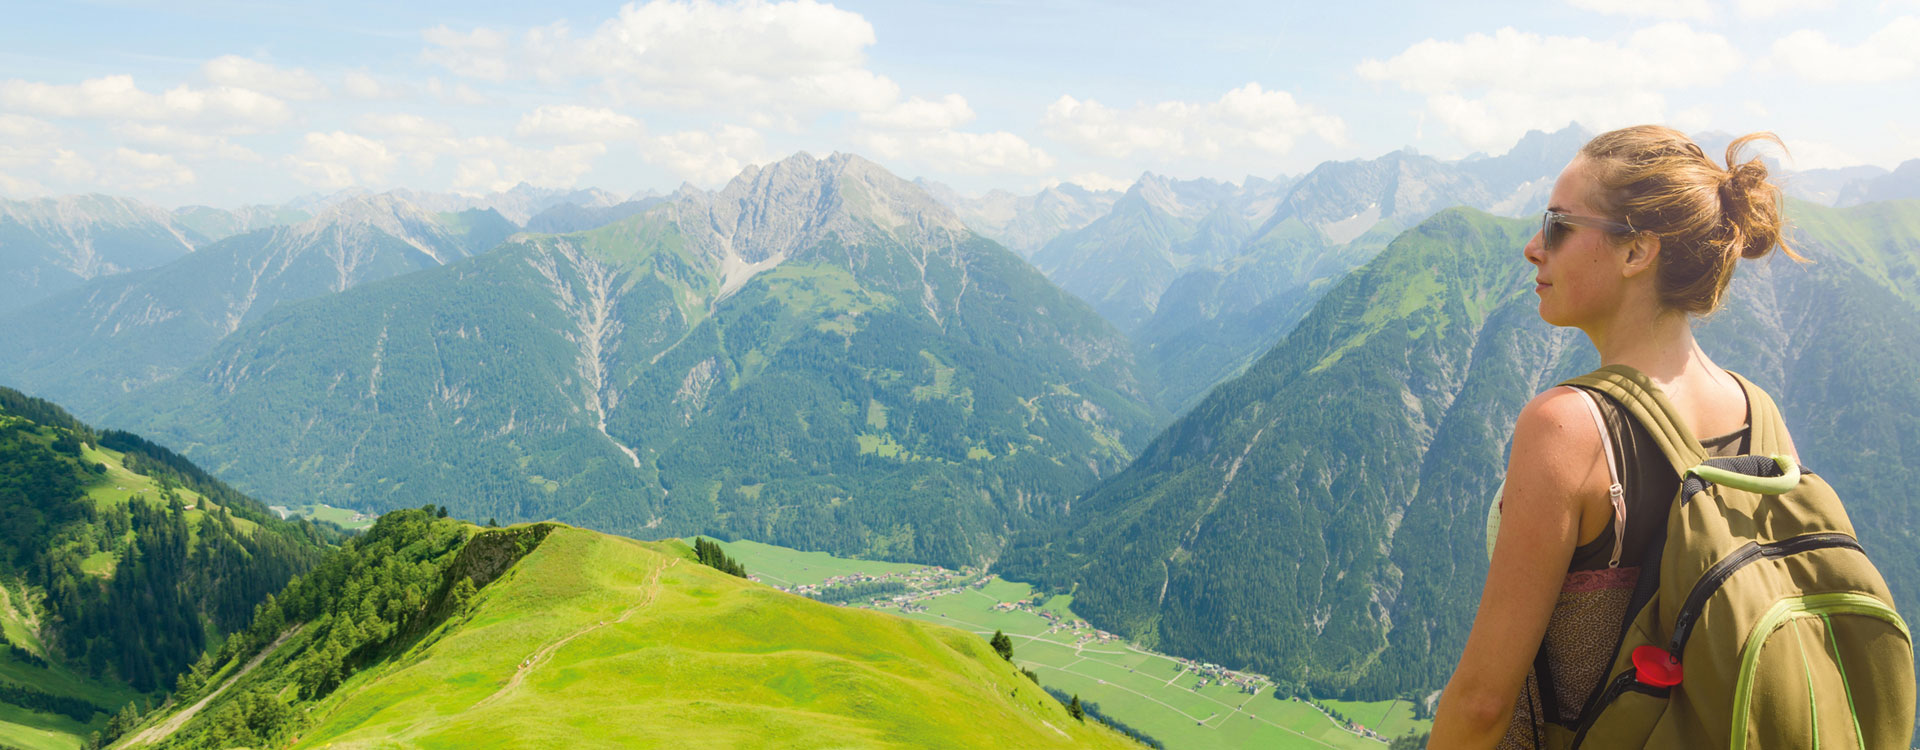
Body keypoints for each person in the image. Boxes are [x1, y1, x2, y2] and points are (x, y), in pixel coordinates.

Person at [1427, 125, 1800, 748]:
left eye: (1557, 225)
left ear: (1636, 253)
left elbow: (1484, 703)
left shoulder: (1566, 426)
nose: (1533, 248)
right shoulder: (1762, 416)